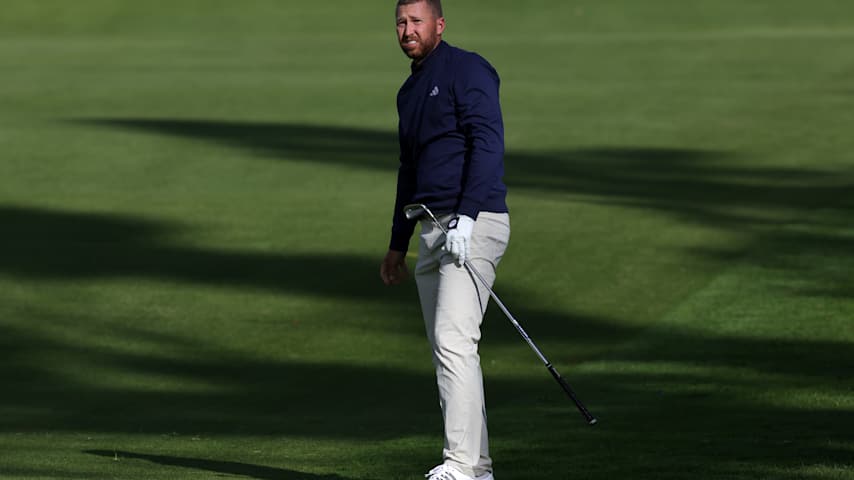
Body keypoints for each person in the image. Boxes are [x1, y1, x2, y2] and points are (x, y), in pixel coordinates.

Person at [380, 1, 510, 479]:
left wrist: (470, 217)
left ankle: (461, 466)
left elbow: (487, 142)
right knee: (447, 348)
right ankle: (476, 468)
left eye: (416, 22)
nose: (407, 30)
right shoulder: (409, 91)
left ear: (439, 24)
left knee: (455, 341)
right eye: (400, 22)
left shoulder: (467, 69)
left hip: (474, 222)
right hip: (433, 227)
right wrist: (398, 244)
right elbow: (408, 170)